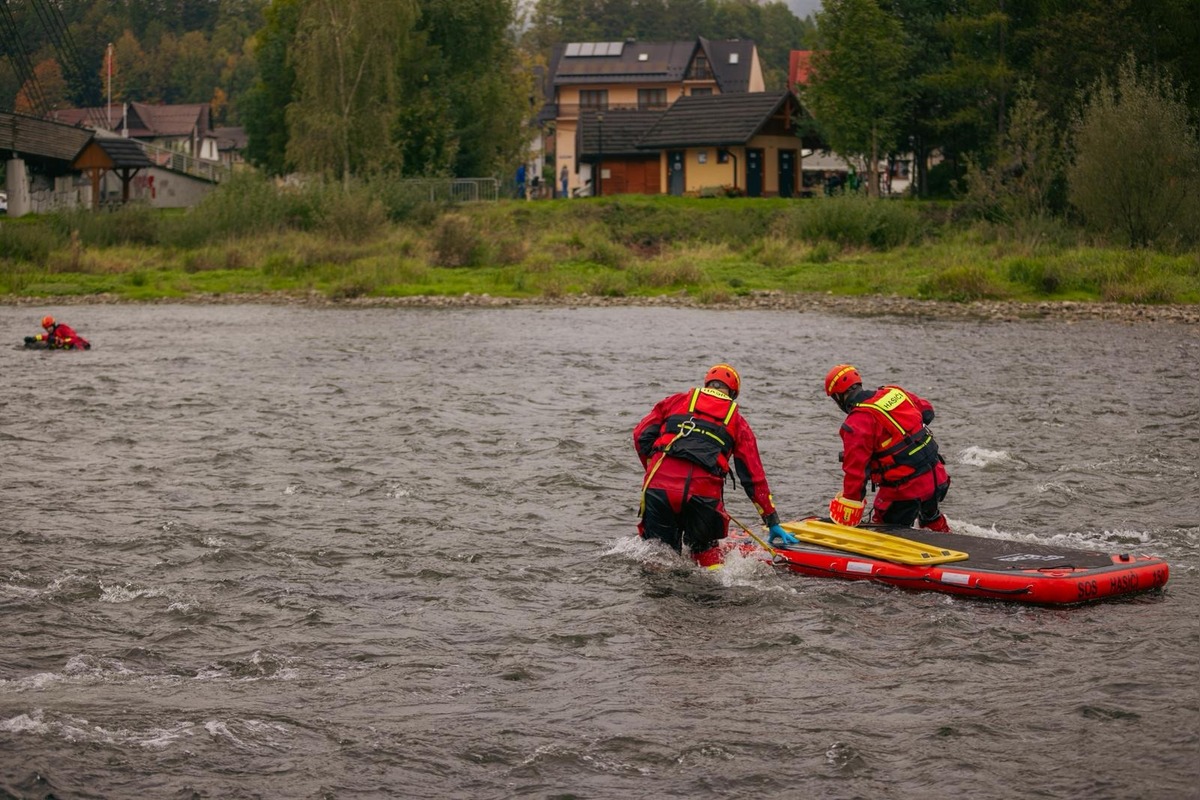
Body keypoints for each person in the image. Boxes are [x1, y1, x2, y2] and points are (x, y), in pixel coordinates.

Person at [634, 363, 795, 567]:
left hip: (659, 490)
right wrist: (771, 521)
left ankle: (658, 596)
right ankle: (713, 594)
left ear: (707, 384)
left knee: (658, 558)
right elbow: (753, 477)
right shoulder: (737, 421)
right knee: (707, 558)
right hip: (703, 497)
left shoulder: (675, 401)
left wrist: (652, 469)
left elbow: (641, 436)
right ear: (732, 393)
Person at [822, 364, 950, 532]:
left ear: (839, 397)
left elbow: (856, 475)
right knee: (931, 517)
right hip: (937, 477)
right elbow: (927, 412)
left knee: (883, 528)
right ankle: (944, 536)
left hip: (905, 490)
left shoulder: (856, 422)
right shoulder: (893, 392)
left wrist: (849, 508)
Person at [25, 315, 91, 350]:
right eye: (46, 328)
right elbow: (44, 337)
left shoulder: (62, 328)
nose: (48, 330)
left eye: (49, 327)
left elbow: (74, 339)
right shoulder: (52, 334)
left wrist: (60, 341)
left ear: (53, 325)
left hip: (81, 345)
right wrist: (34, 338)